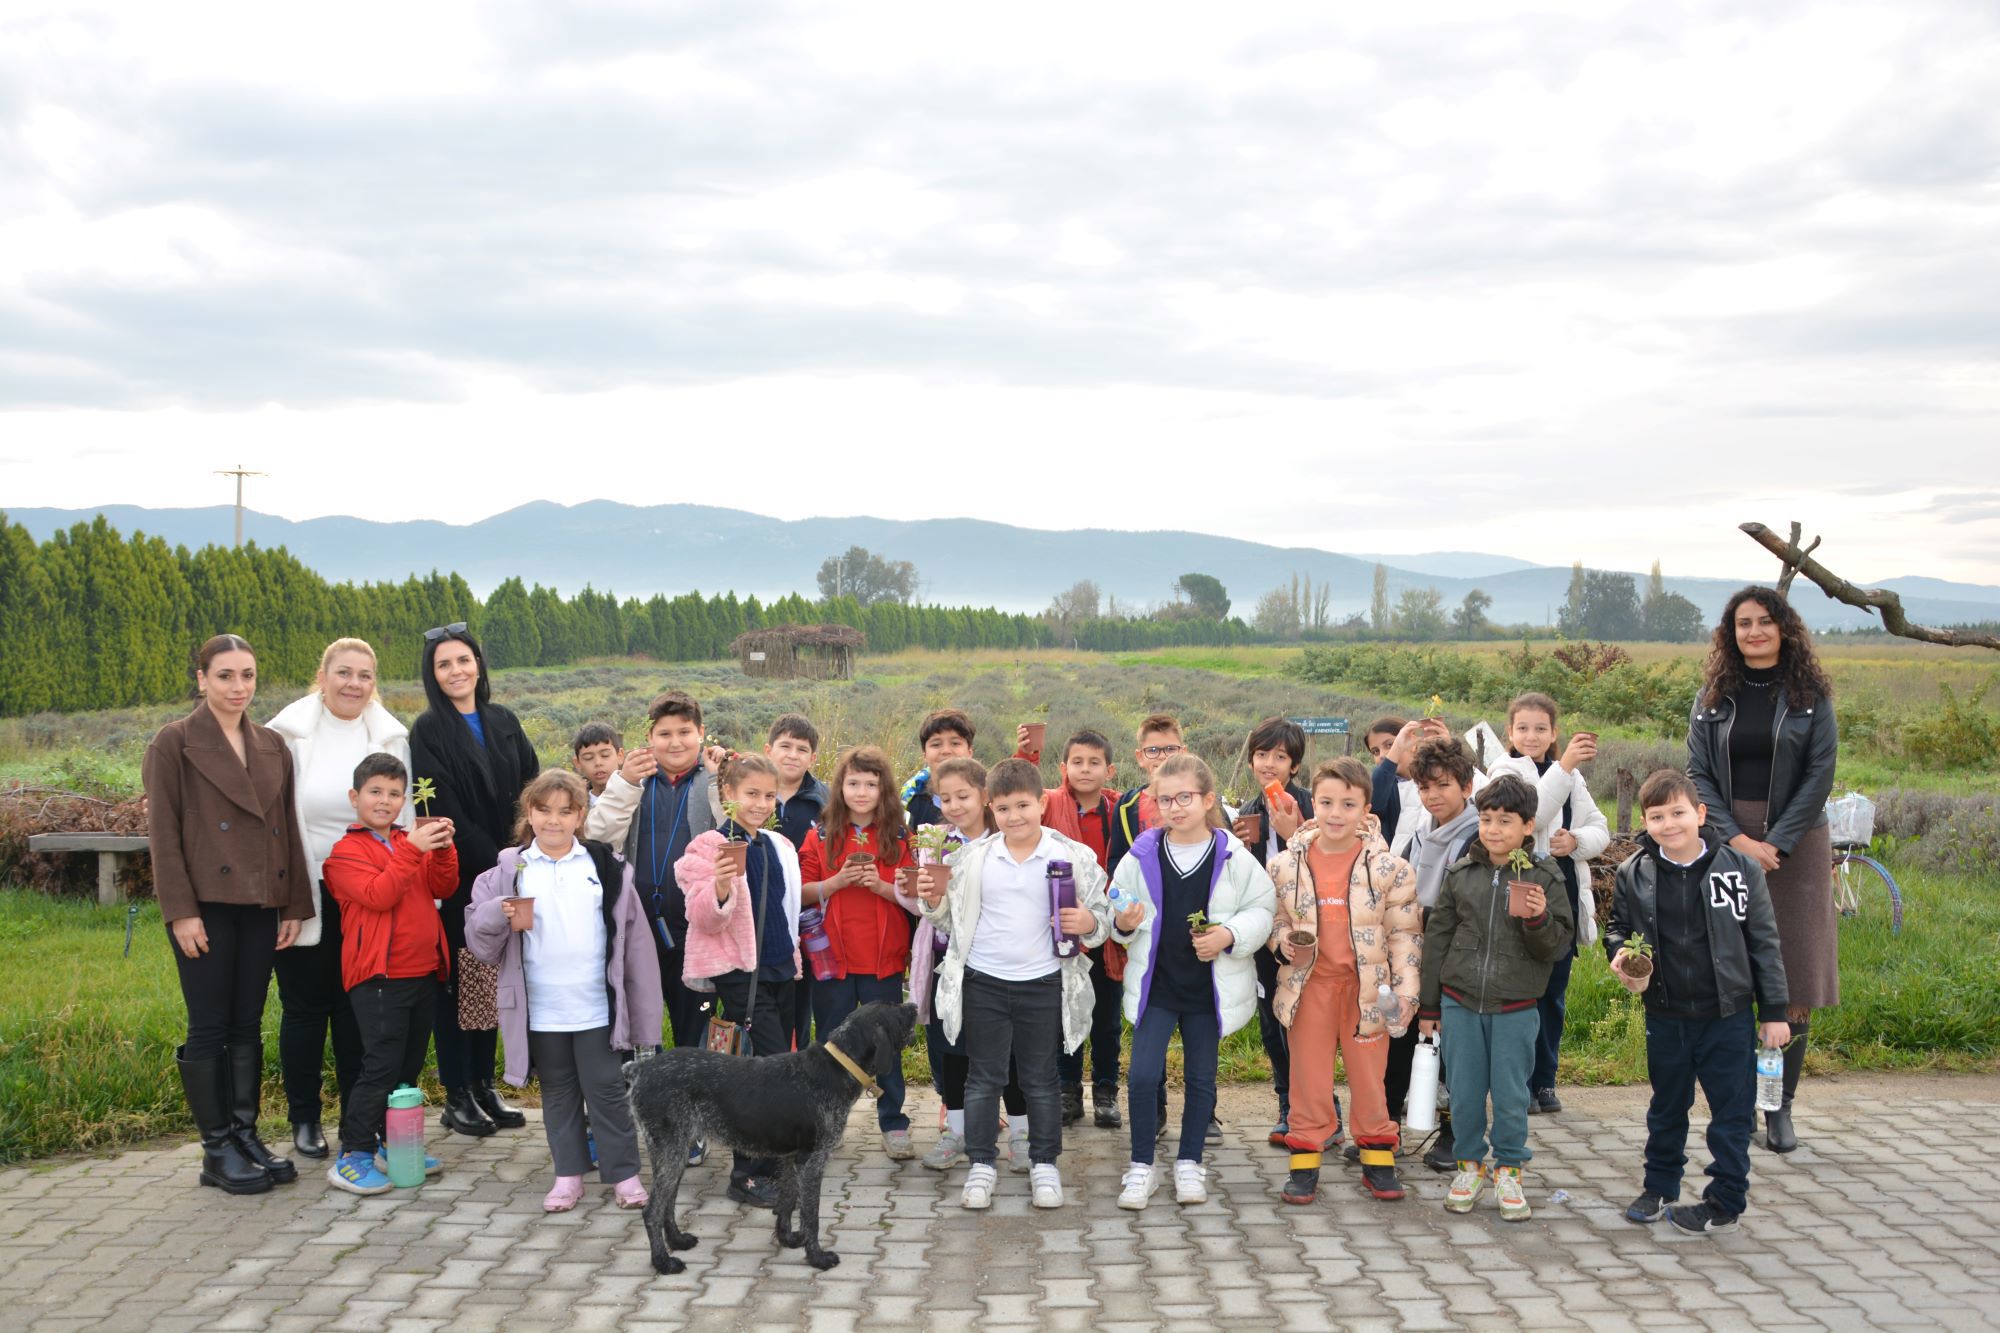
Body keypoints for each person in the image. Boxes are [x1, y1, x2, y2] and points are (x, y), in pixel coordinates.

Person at [144, 633, 313, 1195]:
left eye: (247, 675)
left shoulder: (271, 745)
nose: (238, 687)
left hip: (263, 903)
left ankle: (244, 1135)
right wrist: (181, 912)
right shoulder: (173, 744)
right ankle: (216, 1148)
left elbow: (286, 828)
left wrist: (293, 904)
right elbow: (163, 837)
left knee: (247, 1021)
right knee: (210, 1024)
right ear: (202, 679)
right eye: (225, 676)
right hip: (206, 906)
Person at [915, 758, 1113, 1211]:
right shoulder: (973, 858)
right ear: (990, 808)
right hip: (983, 982)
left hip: (1043, 983)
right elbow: (947, 919)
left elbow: (1101, 920)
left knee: (1041, 1080)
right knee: (983, 1078)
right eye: (1002, 809)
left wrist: (1086, 922)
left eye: (1023, 805)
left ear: (1042, 802)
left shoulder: (1072, 857)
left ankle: (1044, 1163)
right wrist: (932, 898)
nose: (1014, 817)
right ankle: (981, 1164)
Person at [467, 771, 662, 1213]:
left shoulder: (605, 866)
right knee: (557, 1092)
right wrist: (498, 911)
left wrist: (646, 1010)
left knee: (607, 1089)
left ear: (580, 815)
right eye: (543, 810)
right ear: (529, 814)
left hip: (594, 1005)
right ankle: (567, 1177)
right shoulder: (508, 869)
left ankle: (625, 1175)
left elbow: (635, 945)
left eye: (565, 811)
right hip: (541, 1007)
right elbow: (480, 944)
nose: (553, 820)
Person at [1606, 769, 1790, 1237]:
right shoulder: (1634, 872)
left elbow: (1764, 942)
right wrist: (1619, 954)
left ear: (1700, 814)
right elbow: (1617, 929)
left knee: (1731, 1111)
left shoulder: (1739, 868)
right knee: (1666, 1105)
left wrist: (1773, 1013)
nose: (1669, 824)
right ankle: (1659, 1185)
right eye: (1657, 816)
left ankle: (1725, 1199)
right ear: (1645, 822)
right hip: (1665, 1014)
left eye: (1678, 813)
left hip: (1725, 1016)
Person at [1688, 586, 1838, 1155]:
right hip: (1728, 840)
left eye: (1765, 622)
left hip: (1796, 846)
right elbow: (1698, 772)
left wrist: (1777, 840)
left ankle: (1777, 1108)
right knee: (1732, 973)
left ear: (1784, 628)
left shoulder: (1810, 694)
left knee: (1793, 980)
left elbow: (1820, 773)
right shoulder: (1712, 695)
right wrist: (1738, 839)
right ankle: (1737, 1106)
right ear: (1730, 632)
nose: (1754, 631)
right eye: (1743, 623)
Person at [266, 637, 410, 1161]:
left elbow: (407, 816)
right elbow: (273, 823)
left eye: (364, 675)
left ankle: (359, 1117)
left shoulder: (391, 735)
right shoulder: (287, 735)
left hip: (371, 890)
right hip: (308, 887)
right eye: (343, 673)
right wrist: (286, 899)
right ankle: (304, 1118)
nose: (354, 684)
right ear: (322, 675)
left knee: (360, 1010)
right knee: (306, 1008)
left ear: (375, 683)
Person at [1110, 755, 1276, 1209]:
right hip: (1157, 987)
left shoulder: (1234, 857)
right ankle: (1142, 1166)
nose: (1175, 807)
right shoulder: (1141, 854)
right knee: (1143, 1076)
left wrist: (1228, 935)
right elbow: (1115, 909)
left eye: (1185, 797)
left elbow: (1262, 908)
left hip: (1208, 991)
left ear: (1207, 800)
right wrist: (1123, 922)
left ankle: (1189, 1163)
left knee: (1202, 1080)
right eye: (1165, 799)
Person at [1417, 774, 1573, 1222]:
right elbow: (1438, 941)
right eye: (1486, 819)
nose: (1493, 829)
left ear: (1528, 826)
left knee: (1509, 1095)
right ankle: (1469, 1167)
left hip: (1516, 1006)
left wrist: (1538, 921)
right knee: (1464, 1093)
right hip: (1458, 1002)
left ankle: (1509, 1170)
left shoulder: (1544, 877)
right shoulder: (1461, 874)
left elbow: (1556, 946)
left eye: (1505, 820)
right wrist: (1430, 1006)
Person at [1265, 757, 1418, 1206]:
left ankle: (1377, 1157)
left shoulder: (1390, 869)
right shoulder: (1284, 866)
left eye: (1348, 804)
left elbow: (1405, 935)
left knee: (1370, 1077)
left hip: (1367, 991)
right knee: (1307, 1077)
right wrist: (1281, 943)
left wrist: (1406, 993)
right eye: (1327, 802)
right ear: (1313, 803)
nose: (1335, 813)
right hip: (1309, 988)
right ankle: (1305, 1159)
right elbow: (1272, 919)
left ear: (1366, 809)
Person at [408, 623, 540, 1138]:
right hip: (464, 878)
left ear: (478, 666)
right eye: (444, 665)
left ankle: (485, 1084)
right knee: (459, 985)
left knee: (491, 980)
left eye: (463, 660)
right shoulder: (427, 731)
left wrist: (524, 848)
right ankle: (457, 1092)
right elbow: (439, 808)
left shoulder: (503, 720)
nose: (456, 671)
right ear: (432, 675)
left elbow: (531, 785)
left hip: (511, 870)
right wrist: (500, 858)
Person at [319, 753, 458, 1195]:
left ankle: (391, 1145)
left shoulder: (407, 839)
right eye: (375, 792)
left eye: (394, 794)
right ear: (354, 797)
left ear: (404, 800)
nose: (384, 800)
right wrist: (412, 850)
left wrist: (443, 848)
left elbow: (443, 887)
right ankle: (352, 1154)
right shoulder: (343, 854)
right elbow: (379, 895)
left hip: (423, 972)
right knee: (379, 1066)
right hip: (379, 978)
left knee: (407, 1069)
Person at [676, 754, 805, 1208]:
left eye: (769, 795)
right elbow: (700, 914)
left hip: (779, 969)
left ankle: (773, 1162)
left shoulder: (773, 844)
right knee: (765, 1076)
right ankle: (747, 1175)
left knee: (775, 1069)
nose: (761, 803)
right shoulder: (709, 846)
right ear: (727, 794)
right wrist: (721, 886)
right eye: (751, 794)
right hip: (739, 975)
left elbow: (785, 910)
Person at [898, 758, 1030, 1171]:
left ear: (985, 796)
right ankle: (957, 1131)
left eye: (963, 796)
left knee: (1009, 1051)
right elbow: (925, 904)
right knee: (950, 1048)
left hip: (998, 962)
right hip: (947, 960)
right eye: (945, 798)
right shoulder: (937, 842)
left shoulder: (1005, 840)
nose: (954, 806)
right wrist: (918, 890)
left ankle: (1023, 1134)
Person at [1488, 692, 1611, 1115]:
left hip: (1562, 899)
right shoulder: (1505, 770)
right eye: (1522, 727)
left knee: (1553, 996)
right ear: (1509, 732)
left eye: (1541, 728)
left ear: (1554, 732)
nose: (1531, 735)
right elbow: (1531, 818)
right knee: (1523, 995)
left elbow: (1601, 829)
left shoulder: (1572, 778)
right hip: (1522, 892)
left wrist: (1575, 841)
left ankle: (1545, 1082)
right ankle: (1517, 1085)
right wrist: (1564, 767)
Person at [585, 690, 721, 1053]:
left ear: (701, 732)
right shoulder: (634, 779)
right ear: (649, 738)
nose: (675, 742)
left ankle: (693, 1103)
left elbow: (735, 837)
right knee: (638, 1028)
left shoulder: (715, 777)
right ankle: (639, 1102)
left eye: (684, 732)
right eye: (664, 734)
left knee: (695, 1029)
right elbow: (597, 840)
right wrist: (625, 784)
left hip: (696, 928)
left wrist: (718, 782)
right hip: (637, 924)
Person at [798, 746, 917, 1158]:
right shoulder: (819, 834)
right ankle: (825, 1123)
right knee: (831, 1043)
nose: (862, 791)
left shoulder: (901, 836)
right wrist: (837, 882)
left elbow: (916, 897)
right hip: (832, 958)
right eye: (853, 783)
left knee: (887, 1043)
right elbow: (800, 892)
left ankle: (893, 1122)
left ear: (884, 788)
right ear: (840, 787)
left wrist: (882, 887)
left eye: (871, 783)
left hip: (882, 958)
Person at [1389, 738, 1483, 1174]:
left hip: (1456, 960)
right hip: (1413, 957)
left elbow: (1464, 907)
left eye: (1442, 786)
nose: (1432, 797)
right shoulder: (1420, 834)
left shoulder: (1478, 837)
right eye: (1424, 788)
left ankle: (1453, 1135)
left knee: (1452, 1054)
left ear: (1466, 786)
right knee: (1398, 1042)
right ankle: (1385, 1129)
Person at [1024, 729, 1125, 1130]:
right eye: (1078, 762)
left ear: (1110, 769)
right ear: (1063, 768)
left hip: (1106, 930)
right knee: (1063, 1013)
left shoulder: (1120, 809)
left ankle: (1105, 1090)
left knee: (1107, 1017)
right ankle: (1067, 1090)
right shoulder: (1049, 804)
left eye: (1094, 762)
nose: (1086, 770)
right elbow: (1022, 794)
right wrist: (1026, 752)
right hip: (1061, 925)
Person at [1229, 717, 1310, 1147]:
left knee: (1304, 1023)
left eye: (1281, 756)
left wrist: (1293, 833)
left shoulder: (1312, 806)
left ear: (1294, 765)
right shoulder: (1248, 811)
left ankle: (1315, 1105)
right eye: (1262, 755)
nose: (1270, 764)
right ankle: (1287, 1103)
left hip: (1306, 931)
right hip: (1264, 930)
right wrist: (1242, 847)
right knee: (1269, 1021)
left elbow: (1326, 865)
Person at [1107, 714, 1182, 872]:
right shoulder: (1126, 806)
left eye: (1170, 749)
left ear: (1183, 753)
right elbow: (1117, 860)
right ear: (1140, 757)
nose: (1162, 756)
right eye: (1153, 750)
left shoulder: (1200, 799)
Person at [898, 709, 978, 829]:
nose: (946, 751)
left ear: (970, 752)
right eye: (936, 744)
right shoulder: (910, 801)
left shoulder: (986, 798)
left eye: (955, 743)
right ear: (924, 754)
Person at [570, 723, 623, 803]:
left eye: (605, 755)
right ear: (578, 763)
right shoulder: (575, 806)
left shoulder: (637, 796)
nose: (598, 763)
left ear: (620, 756)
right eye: (588, 758)